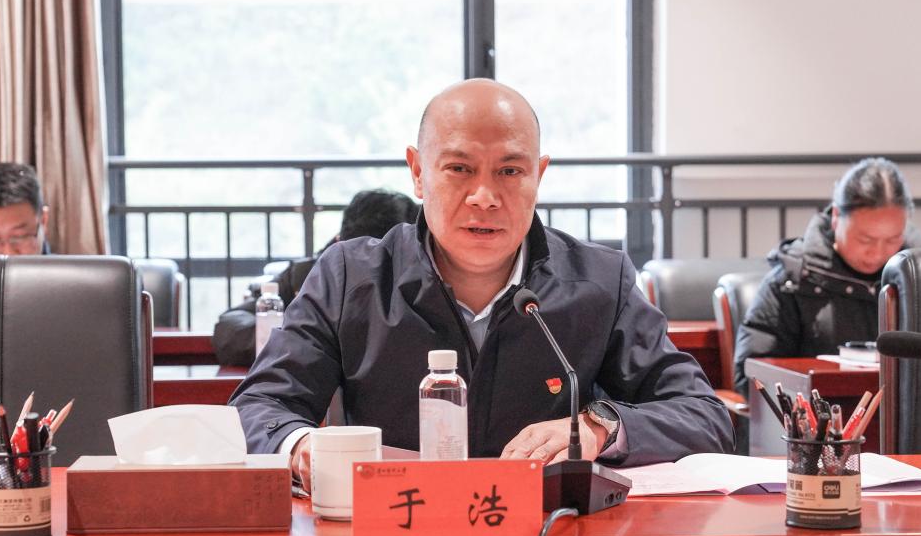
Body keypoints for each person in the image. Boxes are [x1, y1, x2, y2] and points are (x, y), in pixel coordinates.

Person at [229, 79, 733, 490]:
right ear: (418, 172)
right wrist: (300, 446)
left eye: (510, 170)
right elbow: (259, 407)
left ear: (539, 175)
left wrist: (599, 426)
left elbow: (703, 415)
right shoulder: (350, 277)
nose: (485, 196)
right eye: (459, 169)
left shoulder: (601, 281)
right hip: (394, 534)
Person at [734, 158, 921, 400]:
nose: (878, 252)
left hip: (909, 420)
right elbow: (752, 379)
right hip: (818, 419)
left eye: (892, 239)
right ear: (836, 217)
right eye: (865, 239)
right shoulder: (793, 282)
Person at [212, 189, 419, 366]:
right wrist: (304, 338)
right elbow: (230, 329)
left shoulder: (422, 278)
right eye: (357, 255)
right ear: (339, 243)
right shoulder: (307, 274)